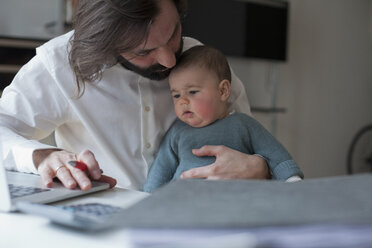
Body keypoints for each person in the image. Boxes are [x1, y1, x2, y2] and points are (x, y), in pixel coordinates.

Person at [0, 0, 270, 191]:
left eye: (174, 33)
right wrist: (42, 156)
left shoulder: (207, 65)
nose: (168, 60)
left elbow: (253, 142)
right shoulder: (60, 65)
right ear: (106, 43)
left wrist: (260, 168)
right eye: (144, 52)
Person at [144, 46, 303, 192]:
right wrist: (147, 200)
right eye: (176, 95)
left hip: (234, 201)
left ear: (223, 91)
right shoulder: (177, 132)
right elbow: (161, 171)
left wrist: (292, 181)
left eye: (192, 92)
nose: (182, 101)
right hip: (185, 202)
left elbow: (276, 155)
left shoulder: (242, 124)